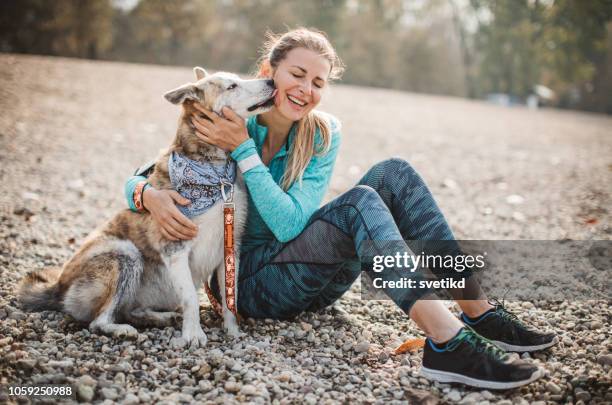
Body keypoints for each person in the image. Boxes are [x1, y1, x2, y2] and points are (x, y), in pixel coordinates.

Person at [125, 28, 556, 389]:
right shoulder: (230, 118)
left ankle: (478, 313)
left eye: (318, 82)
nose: (305, 90)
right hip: (246, 288)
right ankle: (446, 342)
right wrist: (150, 196)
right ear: (267, 73)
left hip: (312, 281)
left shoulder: (322, 133)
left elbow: (291, 223)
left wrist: (245, 155)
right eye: (296, 74)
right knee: (359, 205)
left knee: (393, 174)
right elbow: (144, 174)